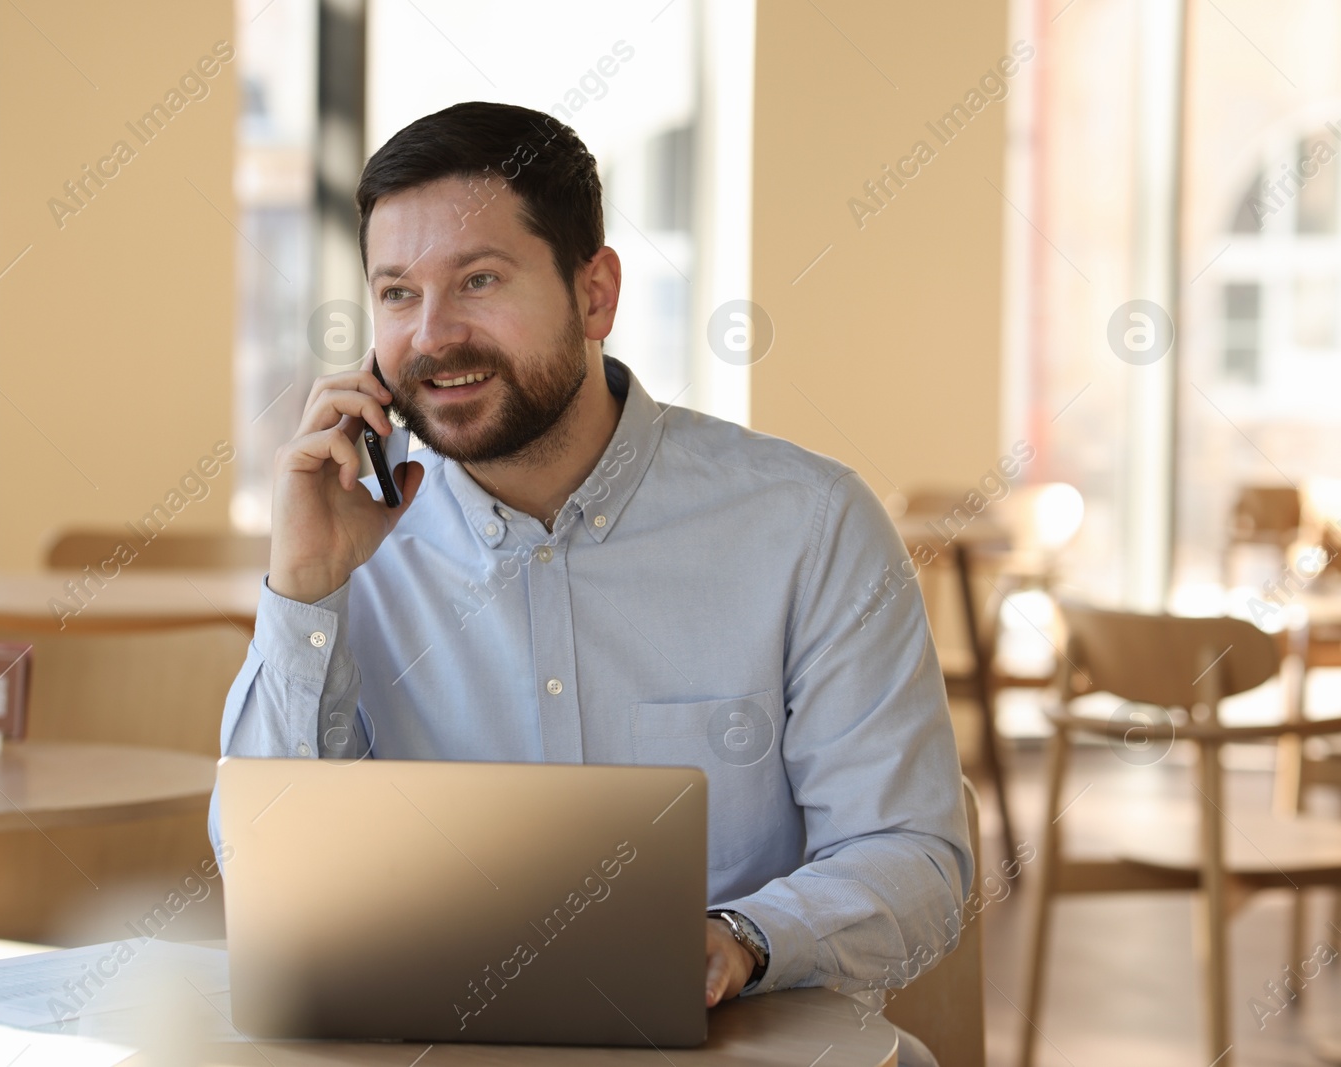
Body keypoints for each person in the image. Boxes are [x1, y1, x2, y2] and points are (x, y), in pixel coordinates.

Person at [211, 100, 972, 1067]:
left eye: (478, 280)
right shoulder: (348, 542)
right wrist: (306, 592)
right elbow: (260, 871)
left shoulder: (808, 524)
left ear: (595, 295)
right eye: (397, 293)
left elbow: (917, 860)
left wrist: (740, 939)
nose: (433, 336)